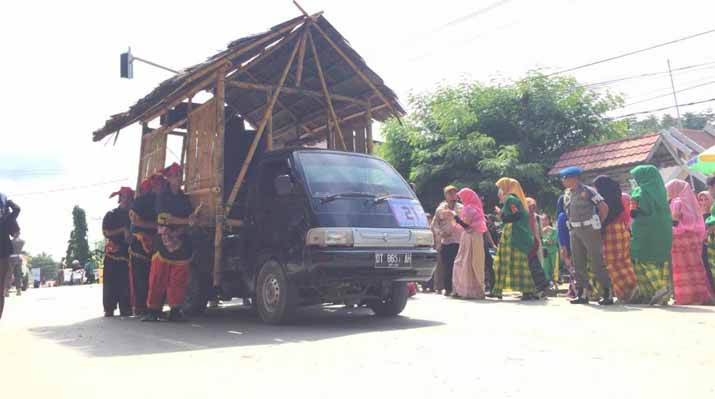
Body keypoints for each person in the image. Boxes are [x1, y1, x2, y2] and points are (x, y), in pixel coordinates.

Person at [143, 163, 195, 322]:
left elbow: (189, 218)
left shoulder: (185, 198)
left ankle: (175, 309)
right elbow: (163, 218)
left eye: (180, 174)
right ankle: (153, 310)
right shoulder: (162, 196)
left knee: (179, 277)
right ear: (169, 178)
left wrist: (193, 221)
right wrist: (187, 220)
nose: (178, 178)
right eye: (175, 175)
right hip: (164, 239)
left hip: (181, 239)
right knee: (158, 276)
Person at [560, 167, 613, 305]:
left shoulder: (588, 191)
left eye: (565, 178)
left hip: (589, 229)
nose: (563, 181)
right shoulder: (567, 194)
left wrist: (598, 222)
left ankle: (607, 293)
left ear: (574, 178)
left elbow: (604, 207)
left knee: (596, 262)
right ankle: (582, 294)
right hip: (575, 230)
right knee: (578, 263)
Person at [665, 179, 714, 305]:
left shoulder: (676, 202)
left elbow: (674, 221)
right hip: (694, 238)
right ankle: (701, 294)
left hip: (680, 239)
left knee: (683, 270)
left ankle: (687, 296)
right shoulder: (691, 201)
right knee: (697, 267)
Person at [629, 165, 673, 305]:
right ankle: (660, 295)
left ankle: (659, 288)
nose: (635, 180)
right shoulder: (661, 192)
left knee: (641, 259)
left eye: (637, 177)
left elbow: (635, 212)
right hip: (663, 231)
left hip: (645, 230)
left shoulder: (641, 192)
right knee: (660, 260)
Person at [593, 175, 639, 303]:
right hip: (622, 230)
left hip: (611, 231)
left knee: (611, 263)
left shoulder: (605, 201)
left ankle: (628, 290)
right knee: (624, 261)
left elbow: (605, 217)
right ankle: (631, 290)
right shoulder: (617, 197)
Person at [490, 178, 537, 300]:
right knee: (519, 263)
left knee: (503, 262)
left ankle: (498, 290)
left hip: (512, 235)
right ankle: (526, 291)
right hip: (515, 235)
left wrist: (503, 217)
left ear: (507, 187)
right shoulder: (515, 200)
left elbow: (517, 215)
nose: (499, 191)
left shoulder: (510, 199)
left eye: (500, 187)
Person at [129, 174, 164, 316]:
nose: (159, 186)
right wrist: (157, 225)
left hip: (157, 242)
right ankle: (140, 307)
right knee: (140, 278)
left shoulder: (163, 200)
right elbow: (136, 222)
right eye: (156, 184)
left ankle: (154, 307)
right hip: (140, 242)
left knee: (155, 277)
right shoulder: (139, 202)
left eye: (161, 183)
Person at [102, 186, 134, 317]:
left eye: (128, 198)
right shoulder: (111, 214)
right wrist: (122, 230)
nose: (126, 200)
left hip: (127, 254)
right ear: (120, 199)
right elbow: (106, 232)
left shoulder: (133, 215)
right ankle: (109, 308)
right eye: (124, 197)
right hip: (113, 253)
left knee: (125, 283)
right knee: (110, 283)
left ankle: (125, 307)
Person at [450, 188, 487, 299]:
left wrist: (455, 216)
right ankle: (477, 290)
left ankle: (463, 290)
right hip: (477, 237)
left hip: (469, 237)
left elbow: (465, 225)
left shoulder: (468, 209)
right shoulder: (477, 208)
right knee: (475, 262)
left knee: (463, 262)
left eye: (461, 197)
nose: (461, 200)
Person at [431, 186, 463, 296]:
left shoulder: (461, 208)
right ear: (446, 195)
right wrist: (440, 233)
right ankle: (446, 288)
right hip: (445, 240)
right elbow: (434, 225)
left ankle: (457, 288)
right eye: (450, 193)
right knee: (446, 265)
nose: (452, 195)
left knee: (458, 265)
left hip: (459, 240)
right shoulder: (440, 209)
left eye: (454, 193)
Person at [0, 192, 20, 319]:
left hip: (4, 254)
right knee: (0, 289)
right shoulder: (6, 219)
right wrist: (8, 201)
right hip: (3, 253)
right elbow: (17, 209)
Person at [526, 197, 548, 297]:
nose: (532, 208)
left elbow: (541, 233)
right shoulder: (524, 216)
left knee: (538, 265)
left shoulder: (538, 218)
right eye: (530, 206)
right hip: (527, 243)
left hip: (537, 244)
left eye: (533, 206)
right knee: (529, 267)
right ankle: (530, 290)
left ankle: (539, 291)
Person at [556, 196, 577, 298]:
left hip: (567, 246)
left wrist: (563, 248)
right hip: (576, 245)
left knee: (572, 268)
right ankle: (572, 290)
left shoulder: (562, 216)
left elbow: (561, 234)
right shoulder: (573, 215)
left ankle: (574, 290)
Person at [541, 215, 559, 287]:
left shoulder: (554, 230)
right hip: (544, 251)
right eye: (543, 220)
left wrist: (546, 241)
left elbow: (553, 241)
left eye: (546, 220)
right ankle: (547, 282)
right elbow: (540, 240)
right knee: (545, 267)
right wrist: (546, 241)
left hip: (553, 251)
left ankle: (555, 282)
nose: (544, 222)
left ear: (549, 220)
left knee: (554, 266)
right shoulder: (541, 230)